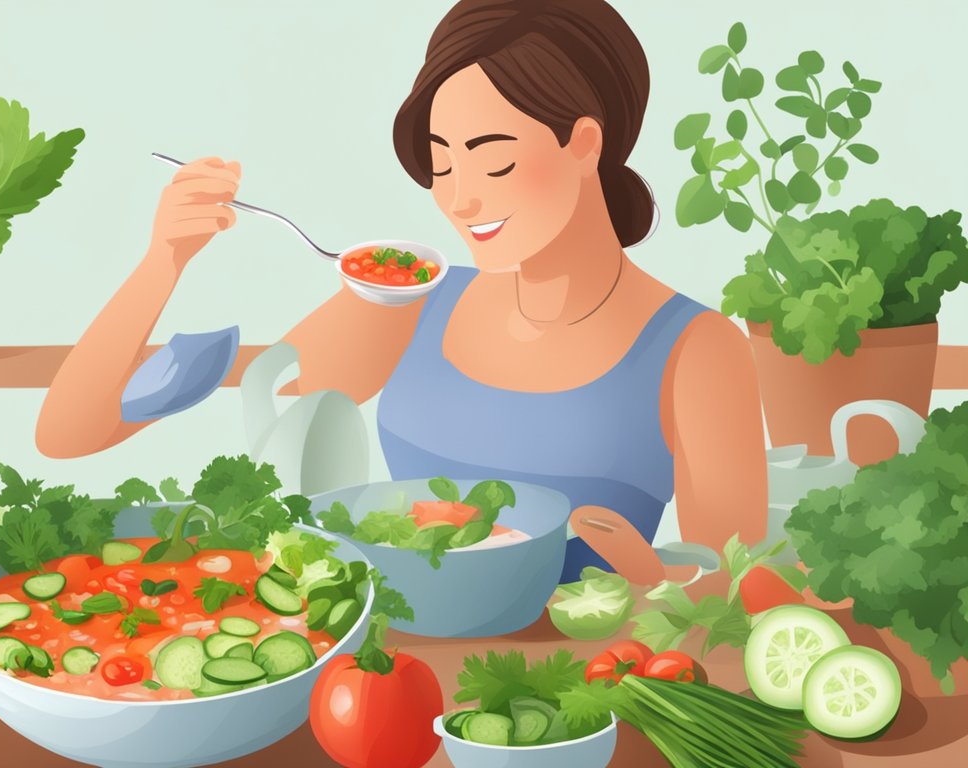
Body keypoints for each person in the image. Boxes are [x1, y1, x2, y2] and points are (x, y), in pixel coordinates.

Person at [38, 0, 767, 584]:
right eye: (441, 165)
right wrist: (163, 261)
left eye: (491, 160)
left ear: (584, 142)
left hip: (578, 680)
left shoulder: (696, 350)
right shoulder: (408, 300)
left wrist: (647, 574)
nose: (461, 201)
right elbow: (74, 432)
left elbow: (740, 590)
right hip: (389, 669)